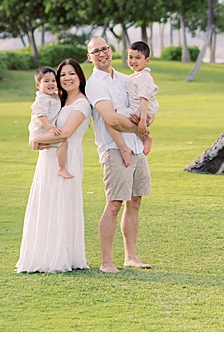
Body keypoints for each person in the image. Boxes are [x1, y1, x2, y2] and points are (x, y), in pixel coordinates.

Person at [16, 57, 91, 273]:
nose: (66, 78)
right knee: (47, 204)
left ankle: (62, 257)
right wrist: (36, 139)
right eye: (63, 75)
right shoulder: (58, 100)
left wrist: (35, 140)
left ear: (79, 77)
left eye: (71, 74)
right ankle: (42, 257)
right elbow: (40, 118)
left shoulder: (82, 103)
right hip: (49, 157)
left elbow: (66, 133)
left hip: (68, 155)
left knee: (62, 205)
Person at [86, 36, 152, 273]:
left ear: (111, 50)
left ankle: (130, 257)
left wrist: (145, 121)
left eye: (105, 49)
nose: (102, 54)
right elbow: (111, 118)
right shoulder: (94, 84)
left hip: (136, 146)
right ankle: (106, 262)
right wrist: (141, 127)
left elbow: (145, 107)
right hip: (114, 149)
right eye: (96, 51)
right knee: (114, 204)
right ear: (90, 57)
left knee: (135, 201)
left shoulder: (127, 79)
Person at [28, 67, 73, 180]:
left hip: (45, 130)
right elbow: (41, 116)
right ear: (38, 85)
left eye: (53, 80)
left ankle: (60, 166)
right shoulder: (42, 99)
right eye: (46, 81)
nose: (51, 83)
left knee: (59, 143)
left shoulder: (54, 95)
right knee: (63, 142)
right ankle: (61, 167)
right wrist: (51, 127)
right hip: (41, 130)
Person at [127, 40, 160, 157]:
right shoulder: (136, 76)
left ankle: (145, 138)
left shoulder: (144, 77)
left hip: (144, 109)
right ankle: (142, 138)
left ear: (147, 60)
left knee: (119, 116)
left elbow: (144, 98)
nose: (133, 61)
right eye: (130, 57)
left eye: (138, 58)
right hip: (141, 109)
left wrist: (143, 120)